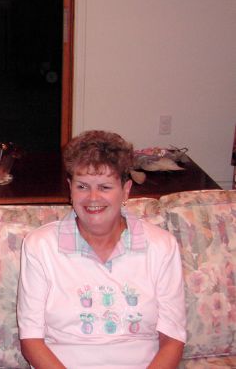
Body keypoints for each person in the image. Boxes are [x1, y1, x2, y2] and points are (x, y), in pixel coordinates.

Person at [17, 130, 186, 368]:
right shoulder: (40, 246)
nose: (93, 197)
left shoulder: (161, 246)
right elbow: (31, 340)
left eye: (105, 187)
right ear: (70, 188)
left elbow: (172, 338)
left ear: (126, 190)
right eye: (82, 186)